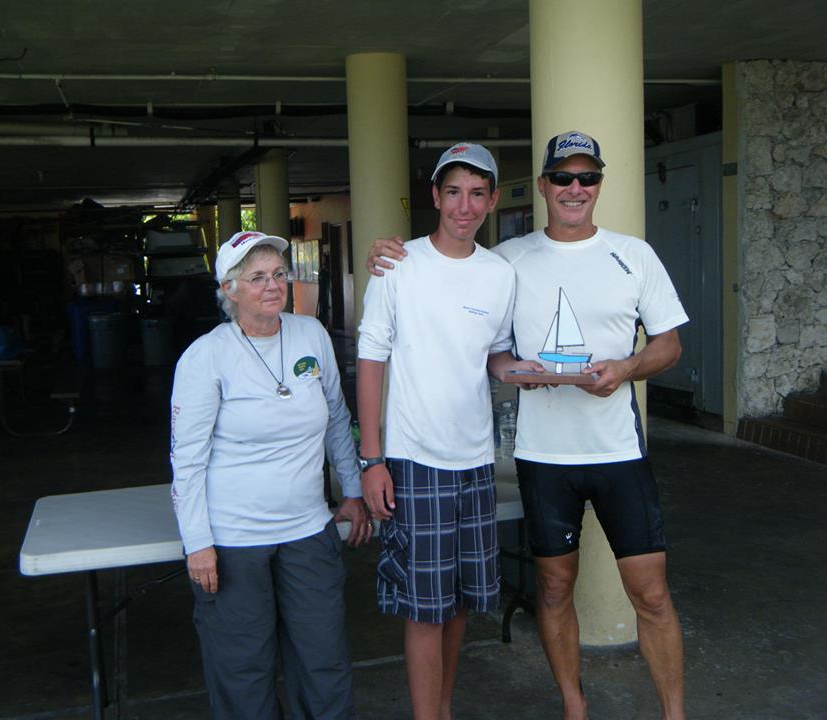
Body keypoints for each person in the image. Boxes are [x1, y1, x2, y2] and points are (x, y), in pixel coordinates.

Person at [367, 130, 689, 720]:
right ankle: (574, 707)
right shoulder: (507, 260)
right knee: (553, 590)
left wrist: (626, 367)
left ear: (599, 185)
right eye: (562, 177)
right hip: (542, 457)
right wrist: (387, 254)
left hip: (618, 451)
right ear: (542, 186)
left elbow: (669, 345)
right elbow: (481, 331)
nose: (574, 188)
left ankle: (675, 714)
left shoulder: (633, 254)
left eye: (587, 177)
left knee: (651, 593)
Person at [357, 143, 543, 720]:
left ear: (492, 200)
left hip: (475, 461)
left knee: (460, 601)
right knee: (424, 609)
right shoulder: (397, 265)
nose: (465, 206)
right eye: (454, 192)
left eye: (477, 194)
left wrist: (531, 372)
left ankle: (442, 709)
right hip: (414, 460)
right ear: (435, 196)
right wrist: (372, 460)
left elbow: (494, 356)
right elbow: (371, 359)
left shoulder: (498, 274)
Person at [171, 230, 372, 720]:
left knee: (323, 661)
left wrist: (351, 488)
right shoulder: (206, 356)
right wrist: (197, 542)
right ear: (229, 289)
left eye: (279, 274)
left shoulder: (310, 334)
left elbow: (336, 417)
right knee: (243, 670)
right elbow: (187, 459)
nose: (273, 285)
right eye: (257, 277)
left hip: (307, 529)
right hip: (234, 541)